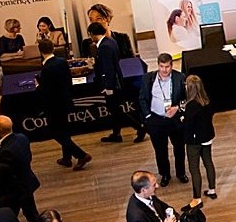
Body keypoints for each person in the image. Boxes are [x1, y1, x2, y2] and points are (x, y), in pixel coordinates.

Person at [34, 39, 91, 171]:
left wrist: (38, 86)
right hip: (65, 101)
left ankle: (81, 155)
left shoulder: (46, 68)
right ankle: (66, 158)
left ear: (41, 51)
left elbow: (46, 90)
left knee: (56, 132)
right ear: (53, 48)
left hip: (54, 105)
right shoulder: (62, 61)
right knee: (64, 131)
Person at [140, 53, 187, 185]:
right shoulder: (148, 79)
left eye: (167, 67)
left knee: (179, 148)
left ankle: (181, 172)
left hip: (175, 120)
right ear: (158, 65)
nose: (164, 70)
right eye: (162, 66)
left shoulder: (180, 78)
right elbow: (142, 98)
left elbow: (187, 98)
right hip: (156, 120)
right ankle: (165, 174)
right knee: (160, 150)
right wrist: (148, 117)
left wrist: (177, 108)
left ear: (172, 65)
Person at [90, 20, 136, 143]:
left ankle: (139, 127)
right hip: (116, 80)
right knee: (114, 110)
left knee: (116, 110)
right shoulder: (111, 41)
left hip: (112, 83)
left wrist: (108, 86)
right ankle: (116, 134)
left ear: (93, 34)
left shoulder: (104, 46)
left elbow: (108, 68)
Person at [0, 116, 40, 222]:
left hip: (18, 186)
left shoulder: (5, 152)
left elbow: (6, 173)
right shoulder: (22, 137)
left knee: (26, 210)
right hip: (27, 179)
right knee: (30, 208)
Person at [181, 74, 219, 203]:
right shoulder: (207, 100)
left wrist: (182, 119)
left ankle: (196, 198)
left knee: (194, 168)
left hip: (194, 141)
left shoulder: (191, 105)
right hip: (207, 137)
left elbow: (188, 125)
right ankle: (212, 190)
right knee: (208, 162)